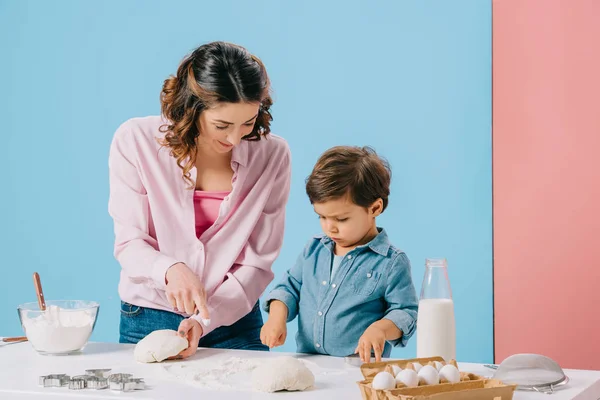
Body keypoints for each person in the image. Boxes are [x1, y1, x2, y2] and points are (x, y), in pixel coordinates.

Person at [108, 41, 291, 359]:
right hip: (149, 317)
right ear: (192, 109)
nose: (235, 139)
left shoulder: (273, 155)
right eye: (222, 125)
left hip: (234, 319)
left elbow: (257, 264)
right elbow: (130, 243)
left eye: (247, 122)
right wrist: (170, 269)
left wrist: (205, 319)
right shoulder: (135, 141)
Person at [260, 146, 418, 362]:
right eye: (322, 217)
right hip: (309, 364)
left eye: (341, 219)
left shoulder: (390, 263)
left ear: (375, 208)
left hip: (358, 370)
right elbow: (289, 288)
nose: (330, 228)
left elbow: (405, 312)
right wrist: (277, 318)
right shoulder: (313, 250)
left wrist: (381, 329)